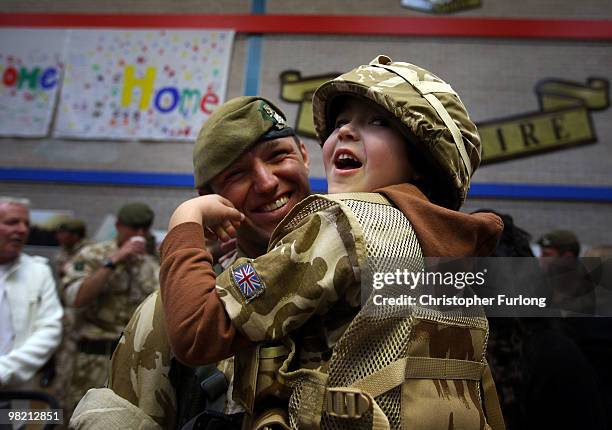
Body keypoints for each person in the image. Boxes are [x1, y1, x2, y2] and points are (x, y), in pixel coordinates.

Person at [160, 55, 505, 429]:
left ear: (420, 157)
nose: (345, 132)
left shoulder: (341, 226)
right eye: (341, 122)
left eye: (377, 122)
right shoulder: (445, 244)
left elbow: (197, 333)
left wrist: (185, 222)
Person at [69, 96, 312, 430]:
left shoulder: (371, 270)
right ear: (208, 199)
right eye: (237, 174)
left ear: (305, 156)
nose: (268, 182)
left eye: (278, 156)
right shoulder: (168, 315)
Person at [62, 202, 160, 416]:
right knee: (78, 418)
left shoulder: (150, 263)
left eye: (145, 228)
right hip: (91, 361)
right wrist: (114, 261)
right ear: (118, 226)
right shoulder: (92, 255)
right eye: (134, 228)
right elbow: (76, 298)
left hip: (131, 363)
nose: (140, 234)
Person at [0, 197, 63, 389]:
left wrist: (5, 371)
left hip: (16, 392)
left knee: (12, 420)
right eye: (12, 222)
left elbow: (50, 329)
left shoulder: (38, 271)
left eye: (26, 223)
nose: (22, 229)